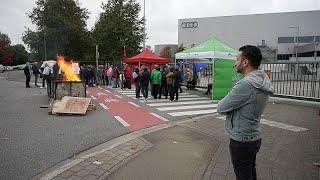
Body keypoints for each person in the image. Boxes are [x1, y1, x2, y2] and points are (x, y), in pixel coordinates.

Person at [217, 45, 274, 180]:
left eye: (237, 59)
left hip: (241, 140)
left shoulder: (246, 84)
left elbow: (221, 107)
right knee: (250, 172)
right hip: (253, 137)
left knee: (243, 176)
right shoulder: (262, 80)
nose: (235, 63)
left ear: (245, 62)